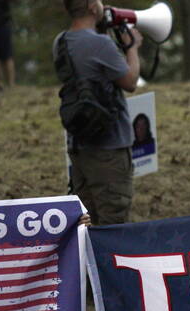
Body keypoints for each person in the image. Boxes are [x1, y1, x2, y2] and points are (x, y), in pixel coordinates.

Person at [55, 0, 142, 225]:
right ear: (93, 6)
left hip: (79, 143)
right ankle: (107, 262)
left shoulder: (60, 42)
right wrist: (132, 48)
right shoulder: (101, 44)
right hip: (109, 147)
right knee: (113, 220)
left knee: (86, 219)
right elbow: (130, 81)